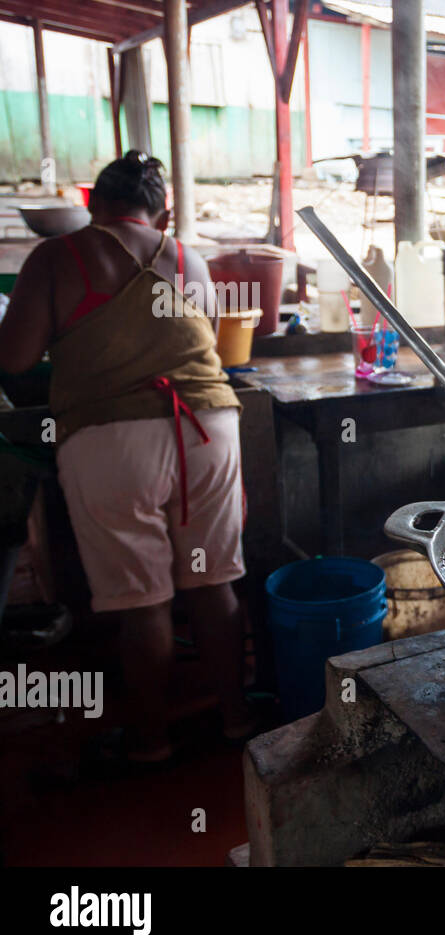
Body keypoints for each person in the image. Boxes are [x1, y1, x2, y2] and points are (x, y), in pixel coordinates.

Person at [0, 152, 253, 762]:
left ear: (92, 207)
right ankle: (239, 723)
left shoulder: (57, 256)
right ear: (161, 210)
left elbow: (13, 359)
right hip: (207, 428)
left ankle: (149, 742)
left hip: (112, 440)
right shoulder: (190, 256)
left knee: (144, 599)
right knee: (214, 582)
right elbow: (206, 337)